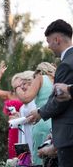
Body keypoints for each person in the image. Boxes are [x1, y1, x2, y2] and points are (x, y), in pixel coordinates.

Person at [27, 19, 73, 167]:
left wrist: (40, 112)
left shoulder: (66, 64)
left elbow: (61, 100)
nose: (48, 46)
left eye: (48, 42)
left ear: (57, 39)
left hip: (69, 136)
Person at [15, 63, 55, 165]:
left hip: (42, 123)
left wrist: (17, 88)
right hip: (56, 125)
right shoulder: (58, 79)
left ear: (39, 71)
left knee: (40, 161)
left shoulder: (40, 78)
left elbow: (26, 98)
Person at [0, 61, 23, 159]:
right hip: (13, 127)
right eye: (17, 80)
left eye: (21, 81)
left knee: (24, 153)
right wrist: (0, 74)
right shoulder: (9, 94)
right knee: (13, 153)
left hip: (25, 125)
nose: (19, 83)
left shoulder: (28, 95)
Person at [12, 71, 36, 158]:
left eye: (24, 84)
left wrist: (20, 120)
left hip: (33, 134)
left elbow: (33, 118)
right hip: (24, 135)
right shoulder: (23, 105)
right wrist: (18, 117)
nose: (22, 87)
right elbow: (26, 118)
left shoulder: (34, 100)